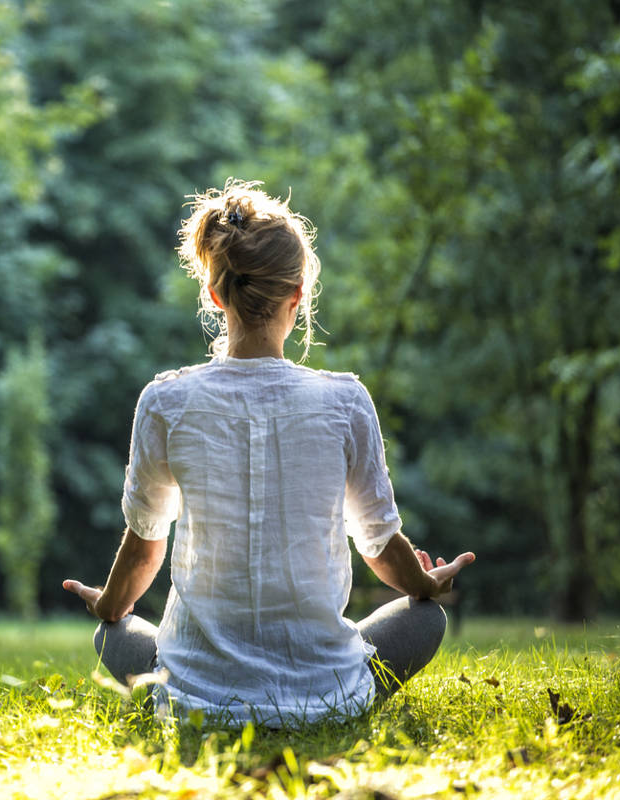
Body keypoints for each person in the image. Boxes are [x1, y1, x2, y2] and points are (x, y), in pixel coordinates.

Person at [64, 179, 475, 725]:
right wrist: (425, 584)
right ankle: (332, 697)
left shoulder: (165, 400)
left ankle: (193, 685)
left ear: (215, 294)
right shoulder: (345, 401)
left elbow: (144, 549)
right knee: (426, 621)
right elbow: (379, 546)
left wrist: (109, 606)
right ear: (297, 296)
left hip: (195, 701)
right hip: (326, 694)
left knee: (110, 634)